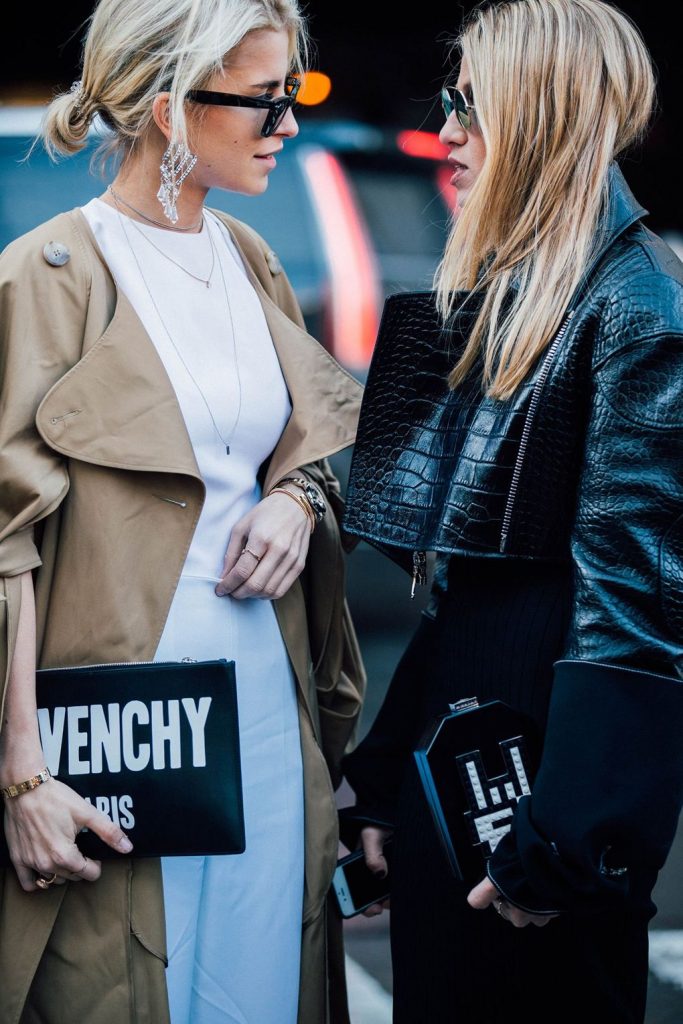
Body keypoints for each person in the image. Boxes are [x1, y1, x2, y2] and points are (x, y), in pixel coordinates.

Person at [0, 1, 365, 1021]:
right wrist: (22, 776)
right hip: (116, 729)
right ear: (167, 106)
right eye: (265, 101)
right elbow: (5, 539)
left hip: (258, 699)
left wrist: (295, 499)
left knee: (259, 978)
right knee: (123, 985)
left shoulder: (247, 256)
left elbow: (299, 444)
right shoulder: (50, 274)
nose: (288, 126)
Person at [340, 1, 683, 1022]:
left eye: (467, 104)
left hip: (533, 809)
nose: (445, 130)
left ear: (534, 115)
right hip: (462, 780)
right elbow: (468, 589)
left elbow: (634, 606)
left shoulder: (635, 308)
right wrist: (385, 778)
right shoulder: (532, 295)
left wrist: (566, 842)